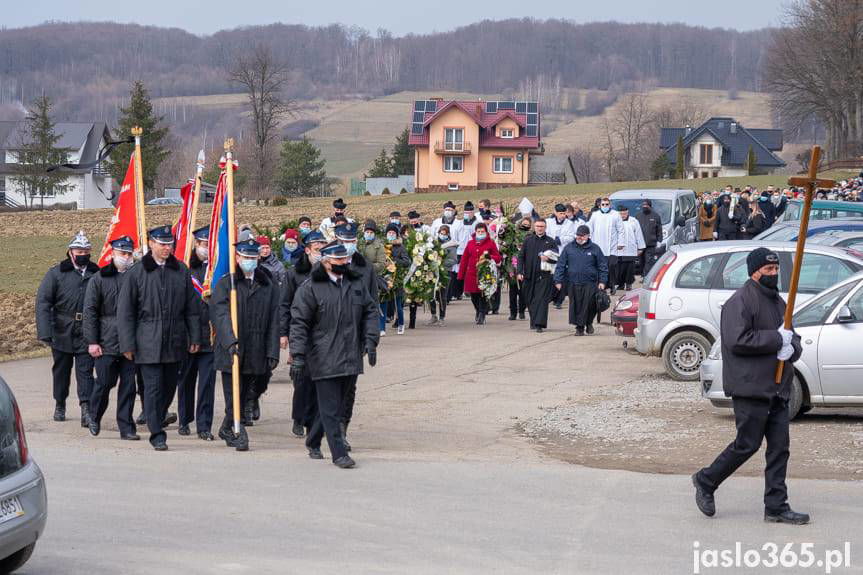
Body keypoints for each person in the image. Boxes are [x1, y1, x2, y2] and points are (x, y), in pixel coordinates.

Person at [692, 248, 807, 524]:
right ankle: (706, 480)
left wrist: (791, 349)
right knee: (747, 445)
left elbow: (793, 338)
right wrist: (776, 340)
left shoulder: (780, 303)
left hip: (779, 388)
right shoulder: (739, 302)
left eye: (776, 269)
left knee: (780, 448)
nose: (773, 274)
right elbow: (737, 340)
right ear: (754, 271)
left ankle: (776, 506)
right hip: (751, 389)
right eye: (768, 270)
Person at [289, 242, 379, 468]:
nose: (344, 263)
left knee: (336, 405)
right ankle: (339, 453)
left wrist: (371, 340)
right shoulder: (310, 288)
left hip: (350, 354)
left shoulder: (356, 284)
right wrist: (298, 355)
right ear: (326, 262)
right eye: (338, 260)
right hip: (322, 356)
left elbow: (369, 311)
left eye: (345, 259)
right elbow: (299, 323)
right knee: (330, 409)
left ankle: (313, 439)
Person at [117, 225, 200, 451]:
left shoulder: (181, 271)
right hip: (147, 341)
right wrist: (127, 343)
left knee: (169, 387)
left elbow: (191, 308)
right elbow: (125, 312)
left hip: (174, 340)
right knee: (152, 389)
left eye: (169, 244)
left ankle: (158, 417)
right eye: (162, 244)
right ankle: (157, 434)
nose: (166, 248)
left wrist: (194, 335)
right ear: (151, 243)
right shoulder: (137, 273)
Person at [211, 238, 280, 451]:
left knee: (248, 394)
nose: (249, 261)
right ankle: (239, 433)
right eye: (246, 257)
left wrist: (272, 350)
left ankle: (225, 427)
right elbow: (219, 314)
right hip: (233, 349)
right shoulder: (227, 283)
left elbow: (273, 318)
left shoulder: (267, 284)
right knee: (234, 394)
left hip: (257, 348)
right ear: (237, 257)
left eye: (253, 257)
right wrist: (230, 341)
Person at [36, 230, 99, 426]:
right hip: (62, 330)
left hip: (86, 331)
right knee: (61, 371)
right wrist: (45, 332)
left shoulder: (96, 273)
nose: (83, 254)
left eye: (86, 250)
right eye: (79, 251)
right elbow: (43, 303)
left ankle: (86, 409)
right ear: (70, 252)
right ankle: (60, 402)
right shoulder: (56, 273)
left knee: (85, 371)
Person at [83, 236, 138, 440]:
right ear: (112, 254)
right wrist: (92, 341)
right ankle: (94, 416)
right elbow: (90, 311)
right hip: (106, 341)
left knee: (129, 386)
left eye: (129, 253)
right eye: (122, 253)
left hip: (131, 341)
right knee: (105, 383)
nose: (126, 257)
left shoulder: (137, 276)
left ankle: (126, 426)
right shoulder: (99, 279)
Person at [280, 231, 328, 438]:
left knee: (321, 380)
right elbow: (284, 305)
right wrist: (283, 333)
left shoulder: (329, 272)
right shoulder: (294, 274)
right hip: (301, 333)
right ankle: (299, 418)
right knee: (302, 380)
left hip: (324, 335)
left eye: (322, 248)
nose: (319, 252)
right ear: (307, 250)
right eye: (316, 248)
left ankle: (315, 421)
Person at [176, 226, 217, 440]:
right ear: (196, 245)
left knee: (207, 384)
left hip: (210, 336)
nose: (206, 248)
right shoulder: (185, 270)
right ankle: (184, 420)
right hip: (188, 337)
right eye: (202, 244)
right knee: (186, 380)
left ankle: (204, 425)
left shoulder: (217, 270)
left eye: (209, 244)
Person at [554, 225, 608, 336]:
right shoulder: (569, 248)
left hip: (590, 283)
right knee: (576, 305)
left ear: (588, 236)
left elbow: (602, 266)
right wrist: (558, 280)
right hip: (573, 282)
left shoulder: (595, 248)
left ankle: (589, 323)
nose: (580, 237)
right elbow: (561, 265)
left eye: (582, 235)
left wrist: (602, 281)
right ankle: (579, 327)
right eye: (578, 235)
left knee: (590, 305)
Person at [518, 219, 559, 333]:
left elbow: (556, 258)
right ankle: (534, 321)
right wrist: (520, 272)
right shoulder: (528, 240)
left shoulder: (550, 242)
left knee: (540, 300)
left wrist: (548, 258)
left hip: (544, 276)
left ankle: (539, 324)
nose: (539, 228)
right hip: (529, 275)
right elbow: (521, 257)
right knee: (530, 299)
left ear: (545, 227)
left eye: (542, 226)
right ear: (534, 227)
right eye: (537, 226)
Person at [458, 222, 502, 325]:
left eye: (482, 231)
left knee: (482, 294)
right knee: (474, 296)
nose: (480, 233)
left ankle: (482, 314)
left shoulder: (490, 243)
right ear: (475, 232)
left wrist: (489, 257)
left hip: (485, 273)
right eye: (478, 231)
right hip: (471, 273)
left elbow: (498, 257)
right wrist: (461, 274)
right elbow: (464, 259)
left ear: (486, 232)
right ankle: (477, 310)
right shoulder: (470, 243)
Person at [587, 198, 624, 295]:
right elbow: (590, 228)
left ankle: (612, 285)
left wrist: (621, 243)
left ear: (610, 205)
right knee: (599, 268)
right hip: (598, 246)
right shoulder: (595, 215)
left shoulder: (615, 215)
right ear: (600, 205)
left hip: (611, 246)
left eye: (607, 204)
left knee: (611, 267)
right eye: (603, 204)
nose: (605, 206)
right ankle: (601, 286)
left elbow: (621, 230)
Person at [545, 203, 577, 309]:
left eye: (564, 213)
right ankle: (551, 297)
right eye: (560, 213)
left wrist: (560, 240)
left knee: (562, 277)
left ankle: (559, 300)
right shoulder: (549, 222)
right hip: (550, 252)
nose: (562, 215)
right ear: (555, 212)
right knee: (550, 276)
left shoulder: (569, 223)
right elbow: (546, 234)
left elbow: (572, 237)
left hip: (563, 252)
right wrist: (552, 240)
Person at [382, 223, 410, 335]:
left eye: (393, 233)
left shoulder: (400, 247)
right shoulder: (382, 246)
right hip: (385, 278)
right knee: (383, 303)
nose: (391, 235)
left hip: (396, 278)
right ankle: (382, 328)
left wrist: (395, 262)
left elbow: (407, 261)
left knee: (398, 303)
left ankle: (401, 324)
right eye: (389, 233)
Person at [428, 224, 457, 326]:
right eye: (441, 233)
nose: (442, 235)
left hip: (445, 272)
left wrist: (441, 262)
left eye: (444, 234)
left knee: (442, 295)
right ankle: (433, 315)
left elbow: (453, 260)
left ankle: (442, 317)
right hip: (432, 271)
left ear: (448, 234)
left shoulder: (451, 244)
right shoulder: (433, 243)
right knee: (431, 294)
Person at [450, 201, 479, 301]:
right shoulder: (459, 224)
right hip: (460, 251)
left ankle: (470, 290)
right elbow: (455, 237)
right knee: (458, 271)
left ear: (473, 212)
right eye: (465, 212)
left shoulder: (478, 223)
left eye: (469, 212)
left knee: (470, 271)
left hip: (473, 250)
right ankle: (457, 292)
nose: (467, 214)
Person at [615, 206, 645, 292]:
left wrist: (640, 247)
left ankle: (629, 285)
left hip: (630, 249)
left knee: (629, 269)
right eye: (621, 214)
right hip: (618, 250)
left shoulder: (634, 221)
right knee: (620, 269)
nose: (623, 215)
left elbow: (639, 234)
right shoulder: (614, 222)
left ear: (627, 212)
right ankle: (620, 285)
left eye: (624, 213)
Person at [635, 199, 663, 279]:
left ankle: (646, 276)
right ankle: (643, 274)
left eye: (646, 205)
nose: (644, 206)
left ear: (650, 206)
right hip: (640, 244)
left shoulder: (656, 216)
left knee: (649, 261)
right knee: (641, 261)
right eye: (643, 205)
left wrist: (659, 240)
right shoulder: (638, 216)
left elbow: (659, 229)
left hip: (651, 243)